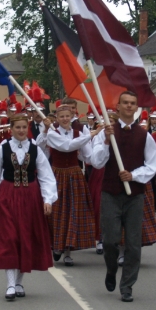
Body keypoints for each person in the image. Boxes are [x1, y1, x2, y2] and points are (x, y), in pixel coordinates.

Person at [0, 107, 58, 300]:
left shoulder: (35, 149)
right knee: (9, 238)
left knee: (25, 237)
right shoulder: (3, 148)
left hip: (30, 197)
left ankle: (20, 282)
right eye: (18, 127)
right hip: (7, 196)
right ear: (11, 129)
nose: (21, 131)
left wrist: (47, 199)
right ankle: (10, 284)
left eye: (24, 127)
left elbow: (46, 176)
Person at [89, 91, 156, 303]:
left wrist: (134, 175)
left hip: (135, 195)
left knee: (133, 244)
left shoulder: (144, 135)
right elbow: (96, 162)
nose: (129, 106)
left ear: (136, 108)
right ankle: (111, 270)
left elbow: (152, 165)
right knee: (109, 241)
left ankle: (127, 285)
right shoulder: (106, 133)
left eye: (132, 104)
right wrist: (108, 144)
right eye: (125, 103)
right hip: (110, 193)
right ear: (118, 107)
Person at [47, 102, 103, 266]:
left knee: (73, 212)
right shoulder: (52, 133)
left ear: (72, 117)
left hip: (74, 175)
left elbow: (87, 156)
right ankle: (57, 246)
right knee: (58, 212)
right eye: (61, 116)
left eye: (67, 116)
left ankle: (68, 251)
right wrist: (91, 135)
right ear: (57, 118)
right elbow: (66, 146)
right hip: (57, 175)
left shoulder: (79, 132)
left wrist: (104, 146)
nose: (65, 119)